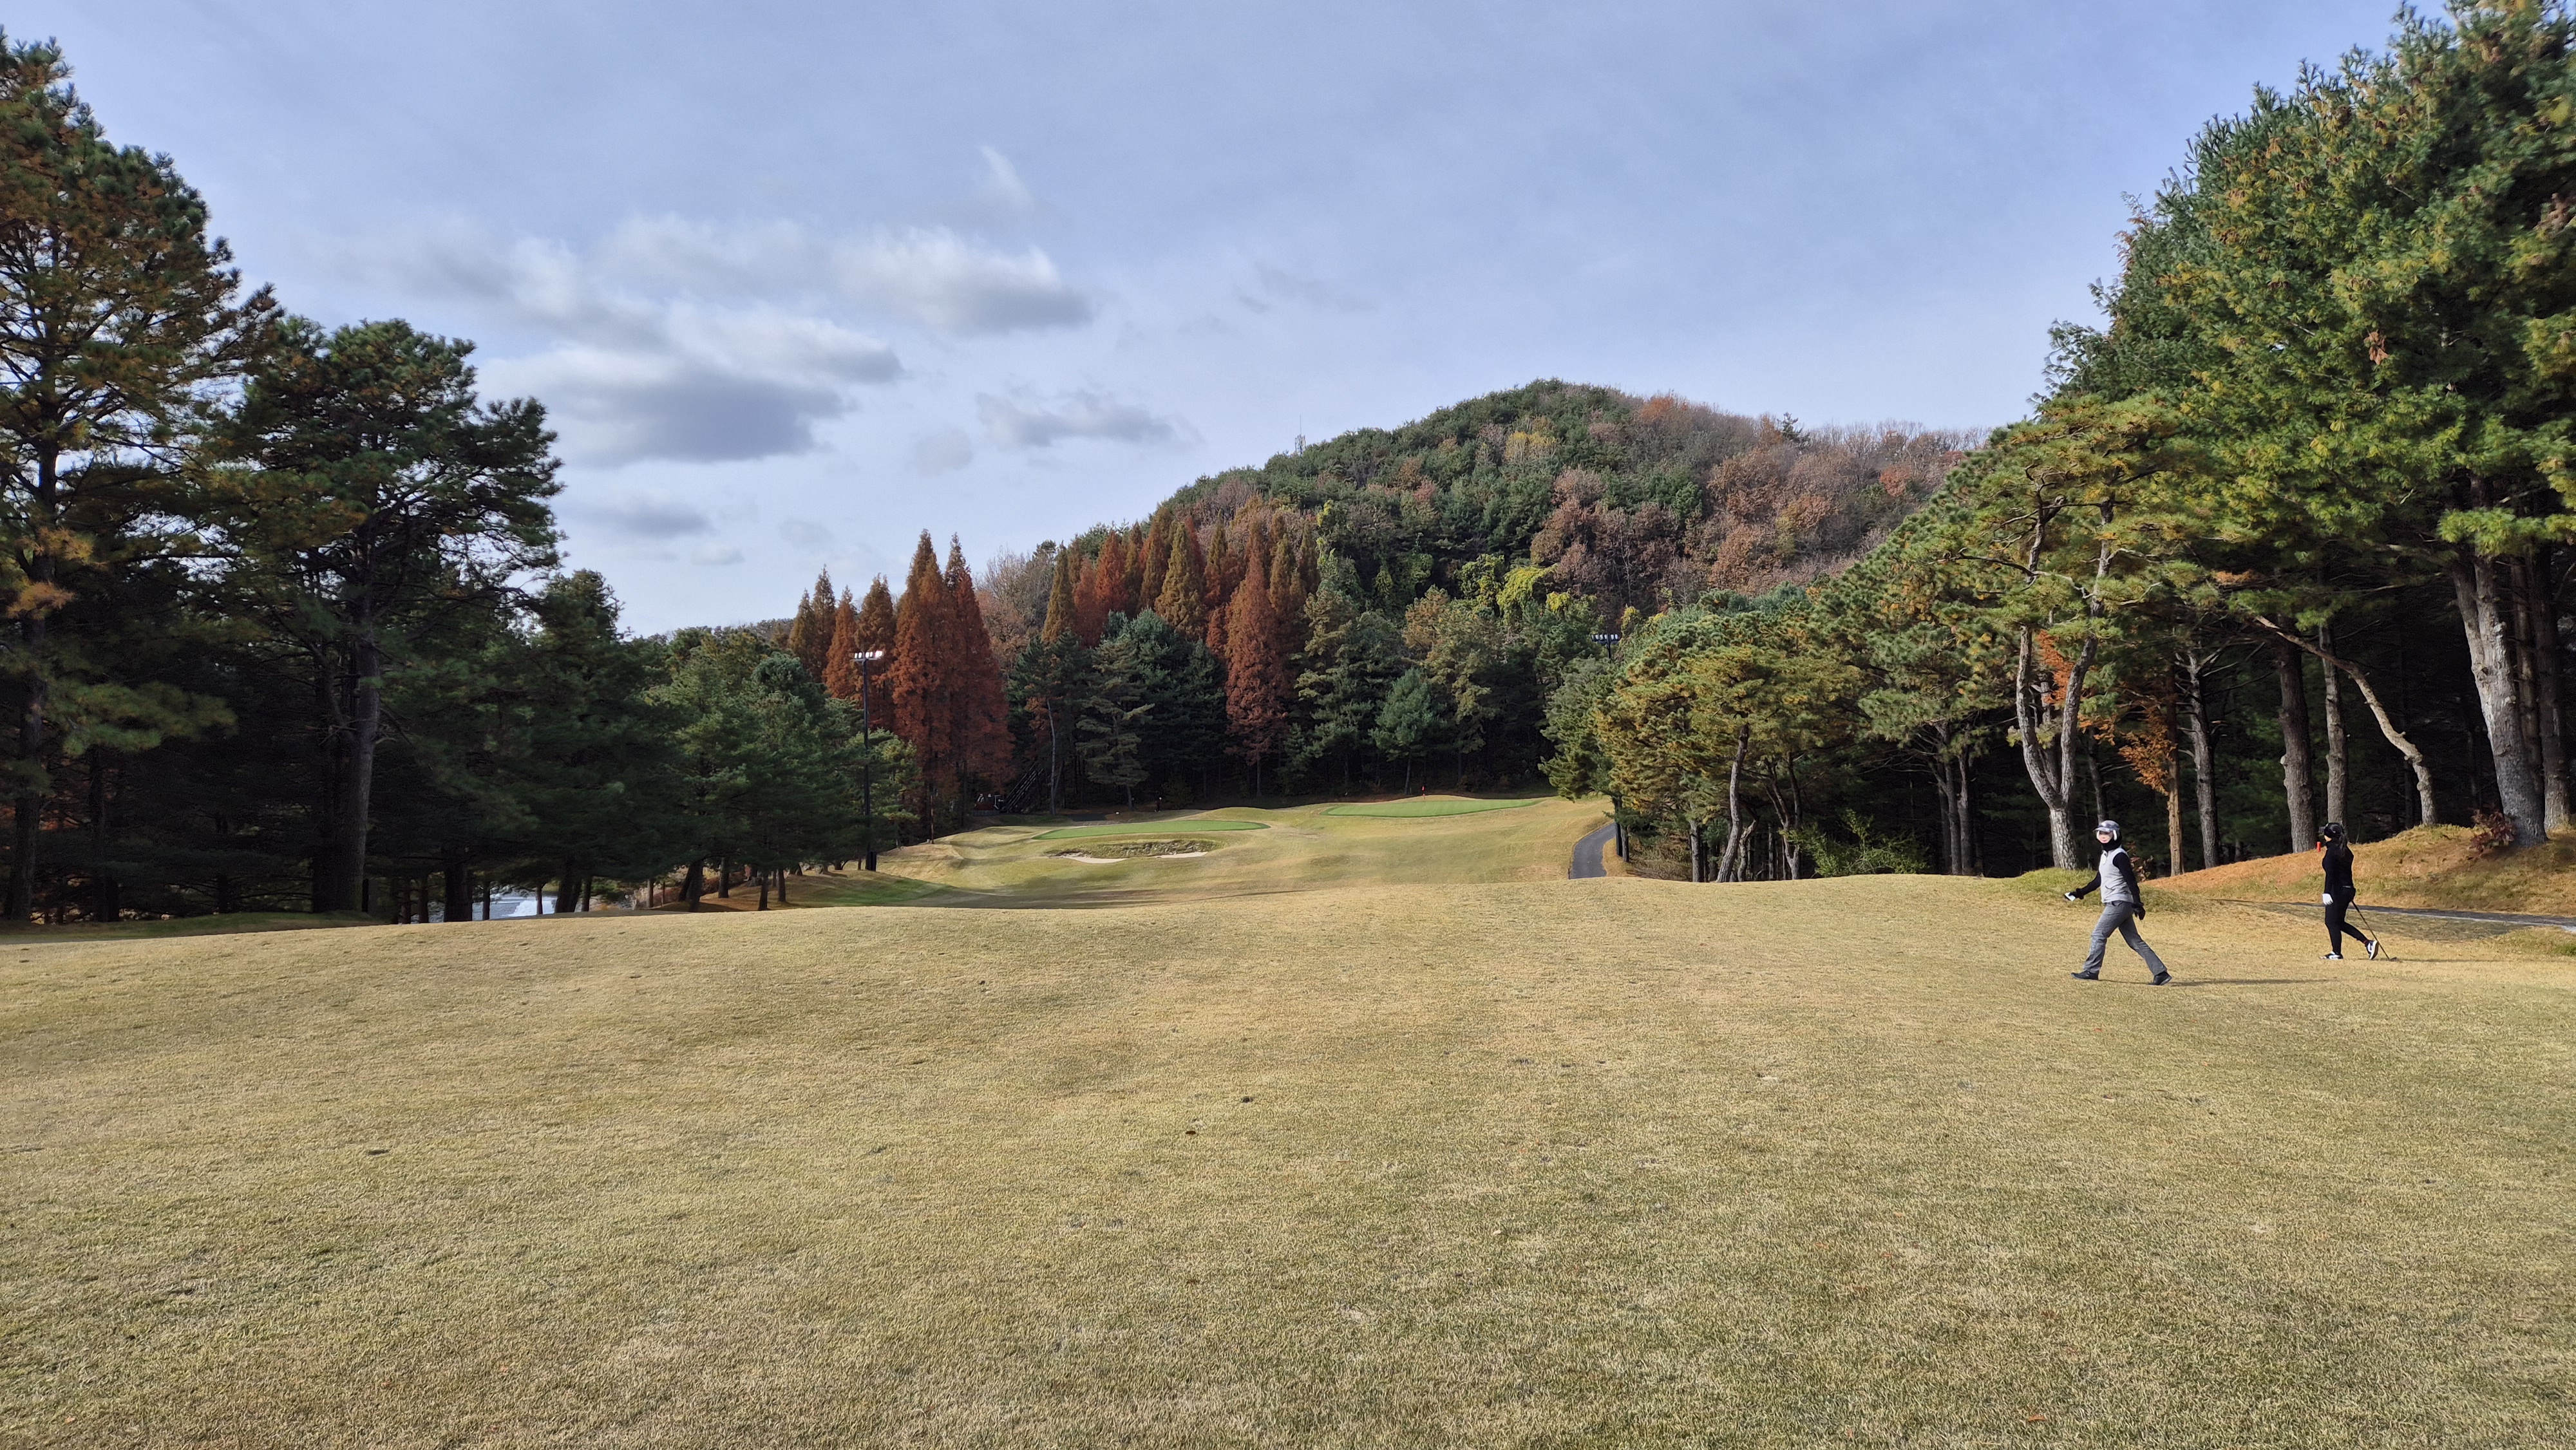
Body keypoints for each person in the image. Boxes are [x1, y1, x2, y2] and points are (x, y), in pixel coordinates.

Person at [2063, 819, 2172, 985]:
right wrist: (2078, 894)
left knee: (2099, 934)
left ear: (2114, 835)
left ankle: (2091, 971)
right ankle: (2161, 973)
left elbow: (2131, 881)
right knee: (2134, 940)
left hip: (2119, 902)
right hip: (2119, 903)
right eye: (2101, 833)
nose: (2103, 836)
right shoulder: (2105, 856)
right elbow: (2099, 880)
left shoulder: (2120, 856)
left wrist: (2138, 903)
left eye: (2107, 833)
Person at [2316, 822, 2380, 961]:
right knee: (2338, 922)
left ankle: (2336, 953)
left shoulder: (2332, 852)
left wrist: (2326, 892)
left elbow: (2331, 874)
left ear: (2329, 836)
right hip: (2348, 889)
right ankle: (2368, 943)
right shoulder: (2346, 851)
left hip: (2337, 891)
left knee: (2331, 922)